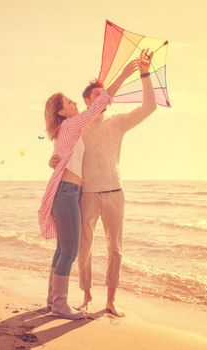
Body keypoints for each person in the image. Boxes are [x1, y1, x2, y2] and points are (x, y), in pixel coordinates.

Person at [48, 49, 157, 317]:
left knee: (115, 250)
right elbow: (63, 146)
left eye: (104, 94)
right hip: (85, 195)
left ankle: (111, 300)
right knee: (81, 249)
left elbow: (150, 107)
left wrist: (144, 73)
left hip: (114, 193)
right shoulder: (78, 123)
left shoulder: (118, 122)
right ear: (87, 100)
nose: (104, 97)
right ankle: (85, 294)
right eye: (98, 94)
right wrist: (54, 158)